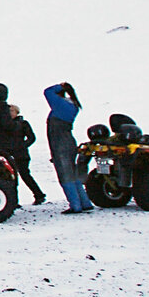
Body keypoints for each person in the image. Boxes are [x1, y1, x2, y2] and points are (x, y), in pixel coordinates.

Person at [46, 82, 91, 213]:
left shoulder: (60, 105)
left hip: (60, 144)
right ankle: (85, 202)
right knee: (73, 174)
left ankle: (75, 205)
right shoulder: (73, 105)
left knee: (65, 175)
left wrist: (61, 86)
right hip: (69, 142)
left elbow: (47, 91)